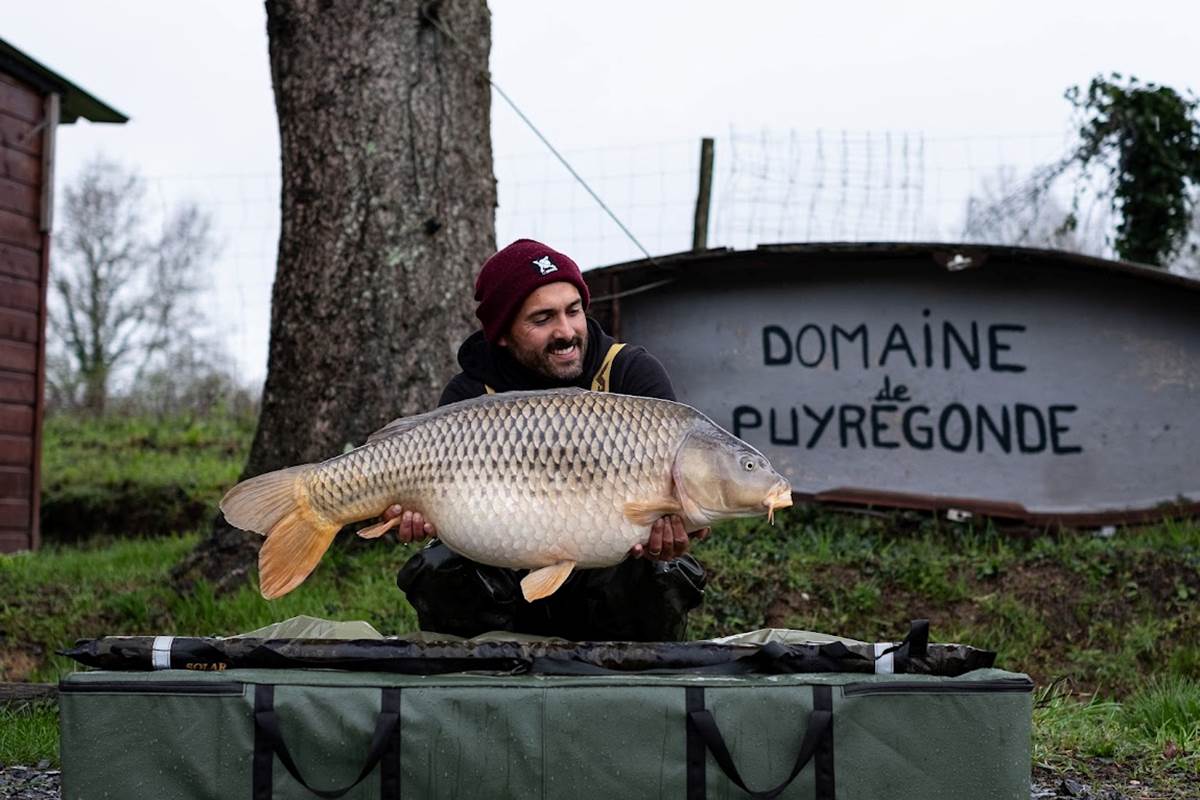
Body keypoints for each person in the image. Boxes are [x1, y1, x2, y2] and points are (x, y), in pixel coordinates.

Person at [387, 239, 708, 641]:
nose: (566, 331)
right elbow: (446, 514)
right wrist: (421, 519)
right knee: (440, 568)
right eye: (543, 319)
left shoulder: (630, 374)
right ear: (503, 333)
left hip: (606, 569)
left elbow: (681, 500)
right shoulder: (470, 394)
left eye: (573, 311)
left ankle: (628, 688)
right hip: (505, 567)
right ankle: (485, 687)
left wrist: (683, 530)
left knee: (664, 571)